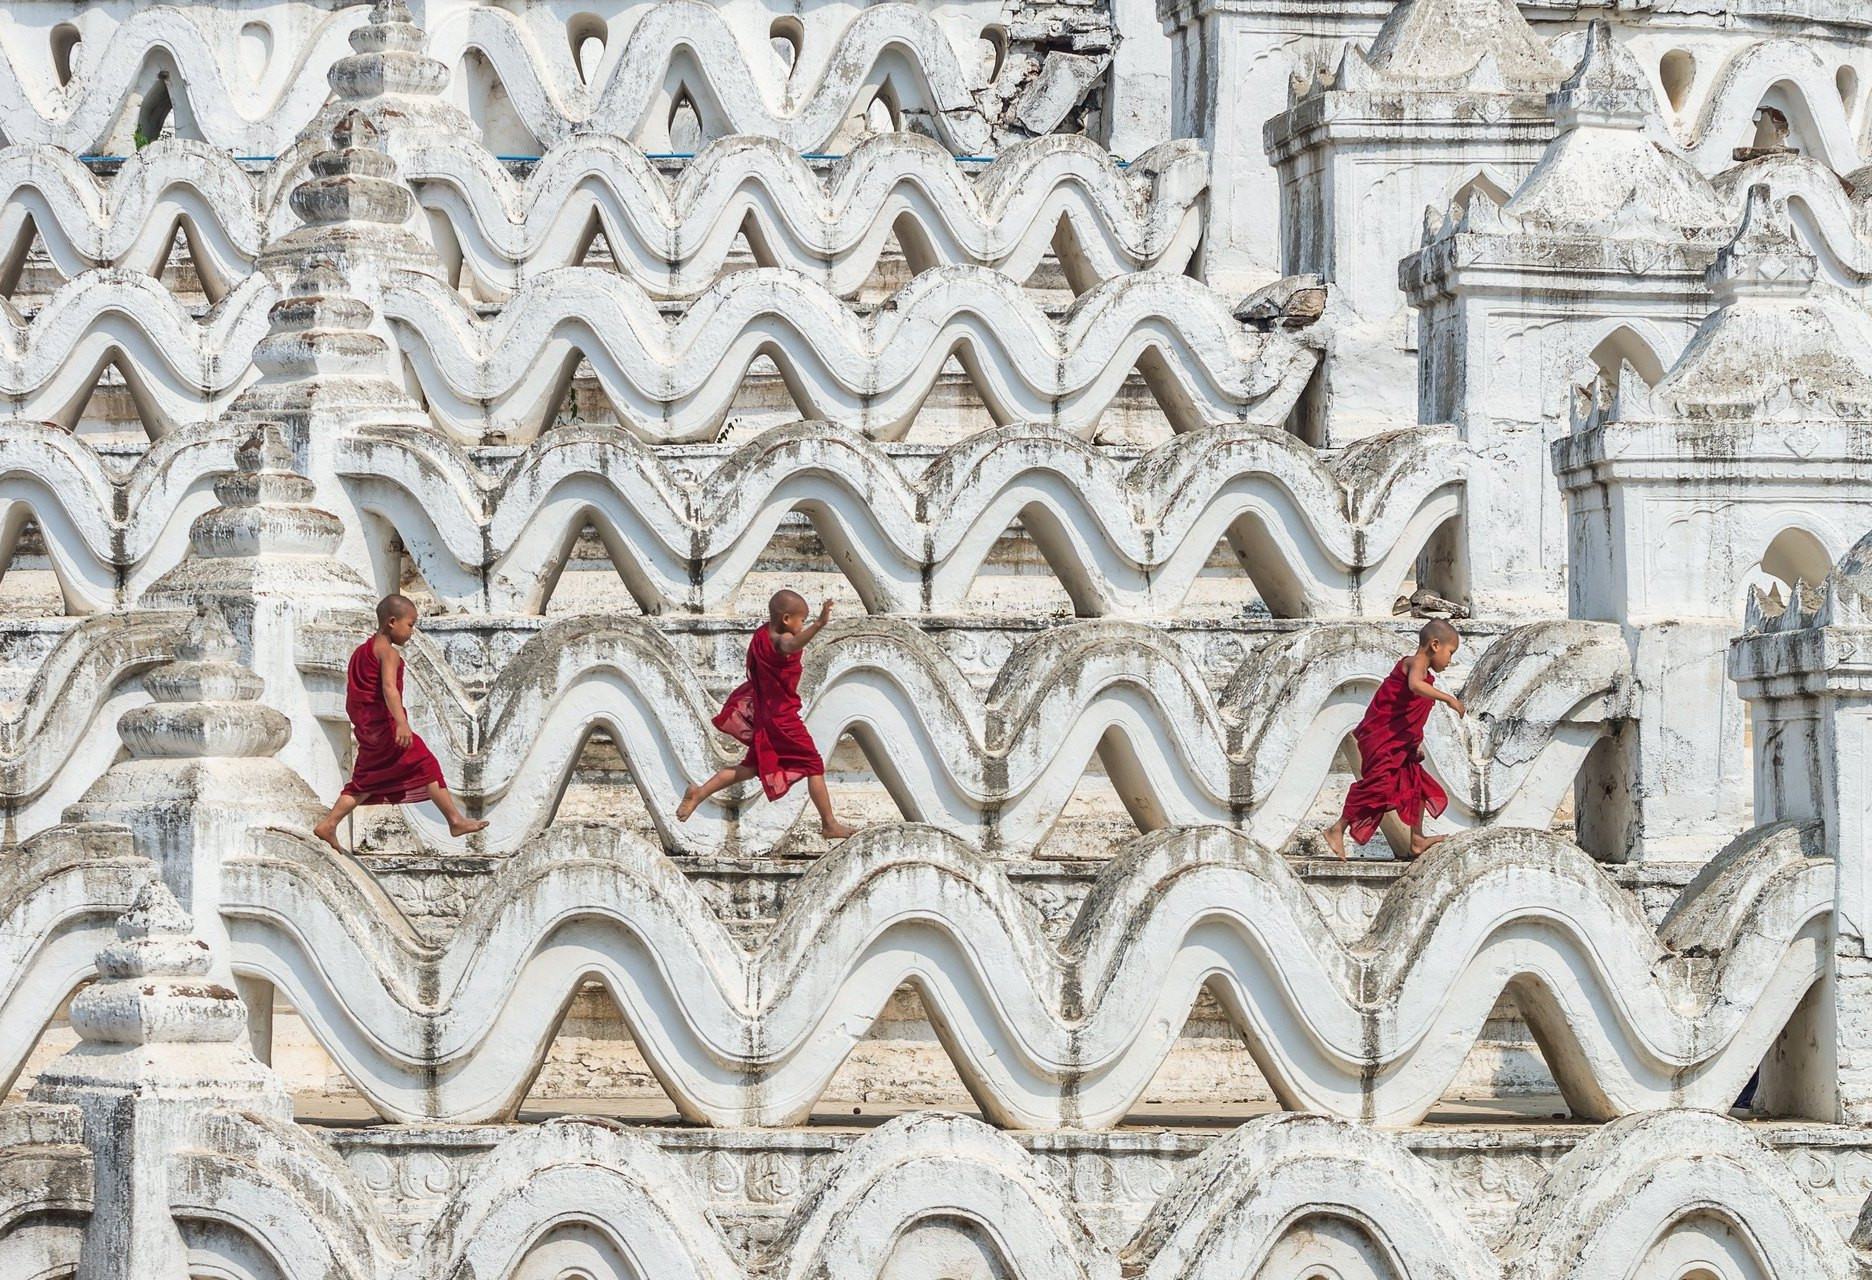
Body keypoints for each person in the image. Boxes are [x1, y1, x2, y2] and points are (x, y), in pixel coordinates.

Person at [313, 594, 489, 853]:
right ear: (392, 622)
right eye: (410, 625)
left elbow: (355, 694)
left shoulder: (362, 651)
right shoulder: (388, 653)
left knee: (365, 780)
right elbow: (388, 689)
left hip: (368, 727)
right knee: (426, 764)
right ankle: (455, 820)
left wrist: (364, 725)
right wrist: (401, 723)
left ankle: (329, 823)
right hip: (386, 726)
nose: (412, 631)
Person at [677, 589, 856, 840]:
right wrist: (819, 624)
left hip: (765, 715)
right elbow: (791, 645)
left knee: (750, 767)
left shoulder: (763, 634)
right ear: (785, 619)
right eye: (800, 620)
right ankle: (829, 824)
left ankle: (699, 792)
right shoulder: (781, 640)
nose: (801, 624)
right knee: (814, 765)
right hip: (782, 719)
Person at [1322, 618, 1465, 860]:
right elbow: (1415, 686)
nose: (1450, 661)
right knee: (1379, 786)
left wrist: (1414, 742)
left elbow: (1410, 713)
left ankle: (1417, 840)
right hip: (1381, 738)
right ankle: (1337, 828)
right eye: (1450, 653)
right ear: (1435, 645)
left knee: (1417, 785)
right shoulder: (1414, 664)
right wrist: (1448, 699)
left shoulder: (1424, 673)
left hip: (1399, 743)